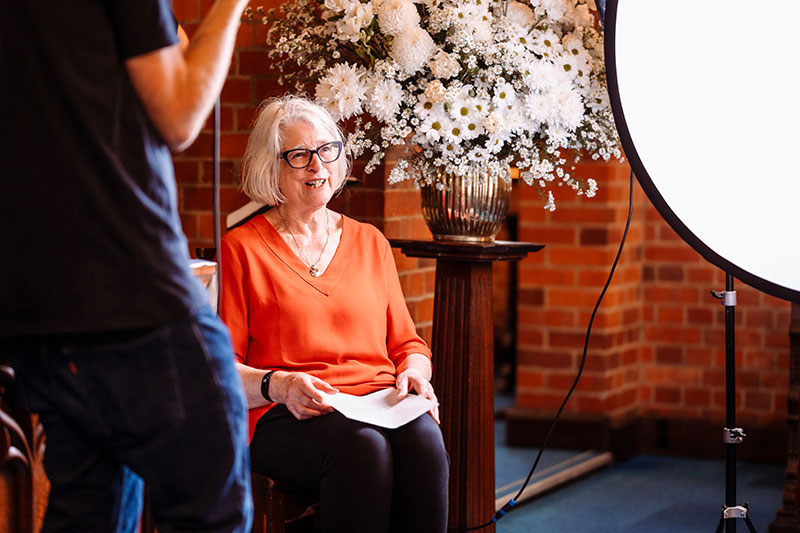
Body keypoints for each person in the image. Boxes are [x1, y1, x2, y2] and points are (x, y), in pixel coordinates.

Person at [0, 1, 253, 531]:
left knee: (91, 512)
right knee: (212, 513)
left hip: (34, 307)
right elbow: (180, 113)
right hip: (132, 293)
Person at [219, 95, 449, 533]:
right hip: (290, 412)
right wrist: (280, 385)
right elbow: (220, 368)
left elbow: (408, 344)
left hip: (379, 403)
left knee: (425, 443)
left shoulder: (370, 242)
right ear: (273, 168)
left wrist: (417, 372)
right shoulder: (241, 250)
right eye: (300, 156)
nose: (317, 166)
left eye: (327, 150)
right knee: (364, 448)